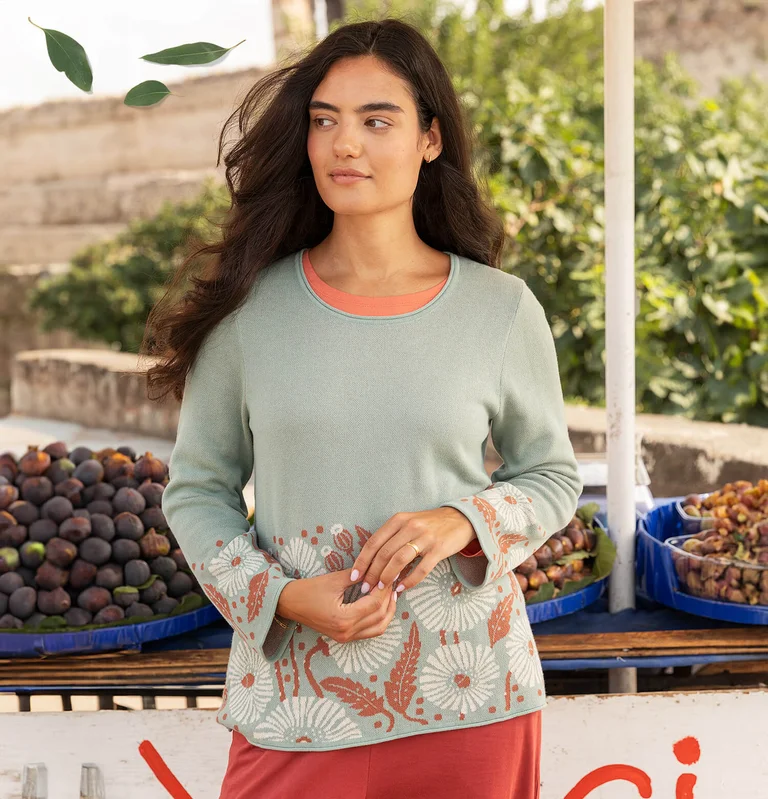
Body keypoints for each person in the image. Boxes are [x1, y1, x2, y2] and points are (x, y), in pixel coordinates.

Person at [144, 17, 582, 799]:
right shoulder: (249, 314)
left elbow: (550, 474)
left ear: (431, 139)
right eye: (325, 121)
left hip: (471, 697)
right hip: (296, 703)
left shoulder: (501, 309)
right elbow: (197, 490)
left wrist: (460, 521)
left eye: (377, 120)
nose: (345, 144)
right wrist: (279, 597)